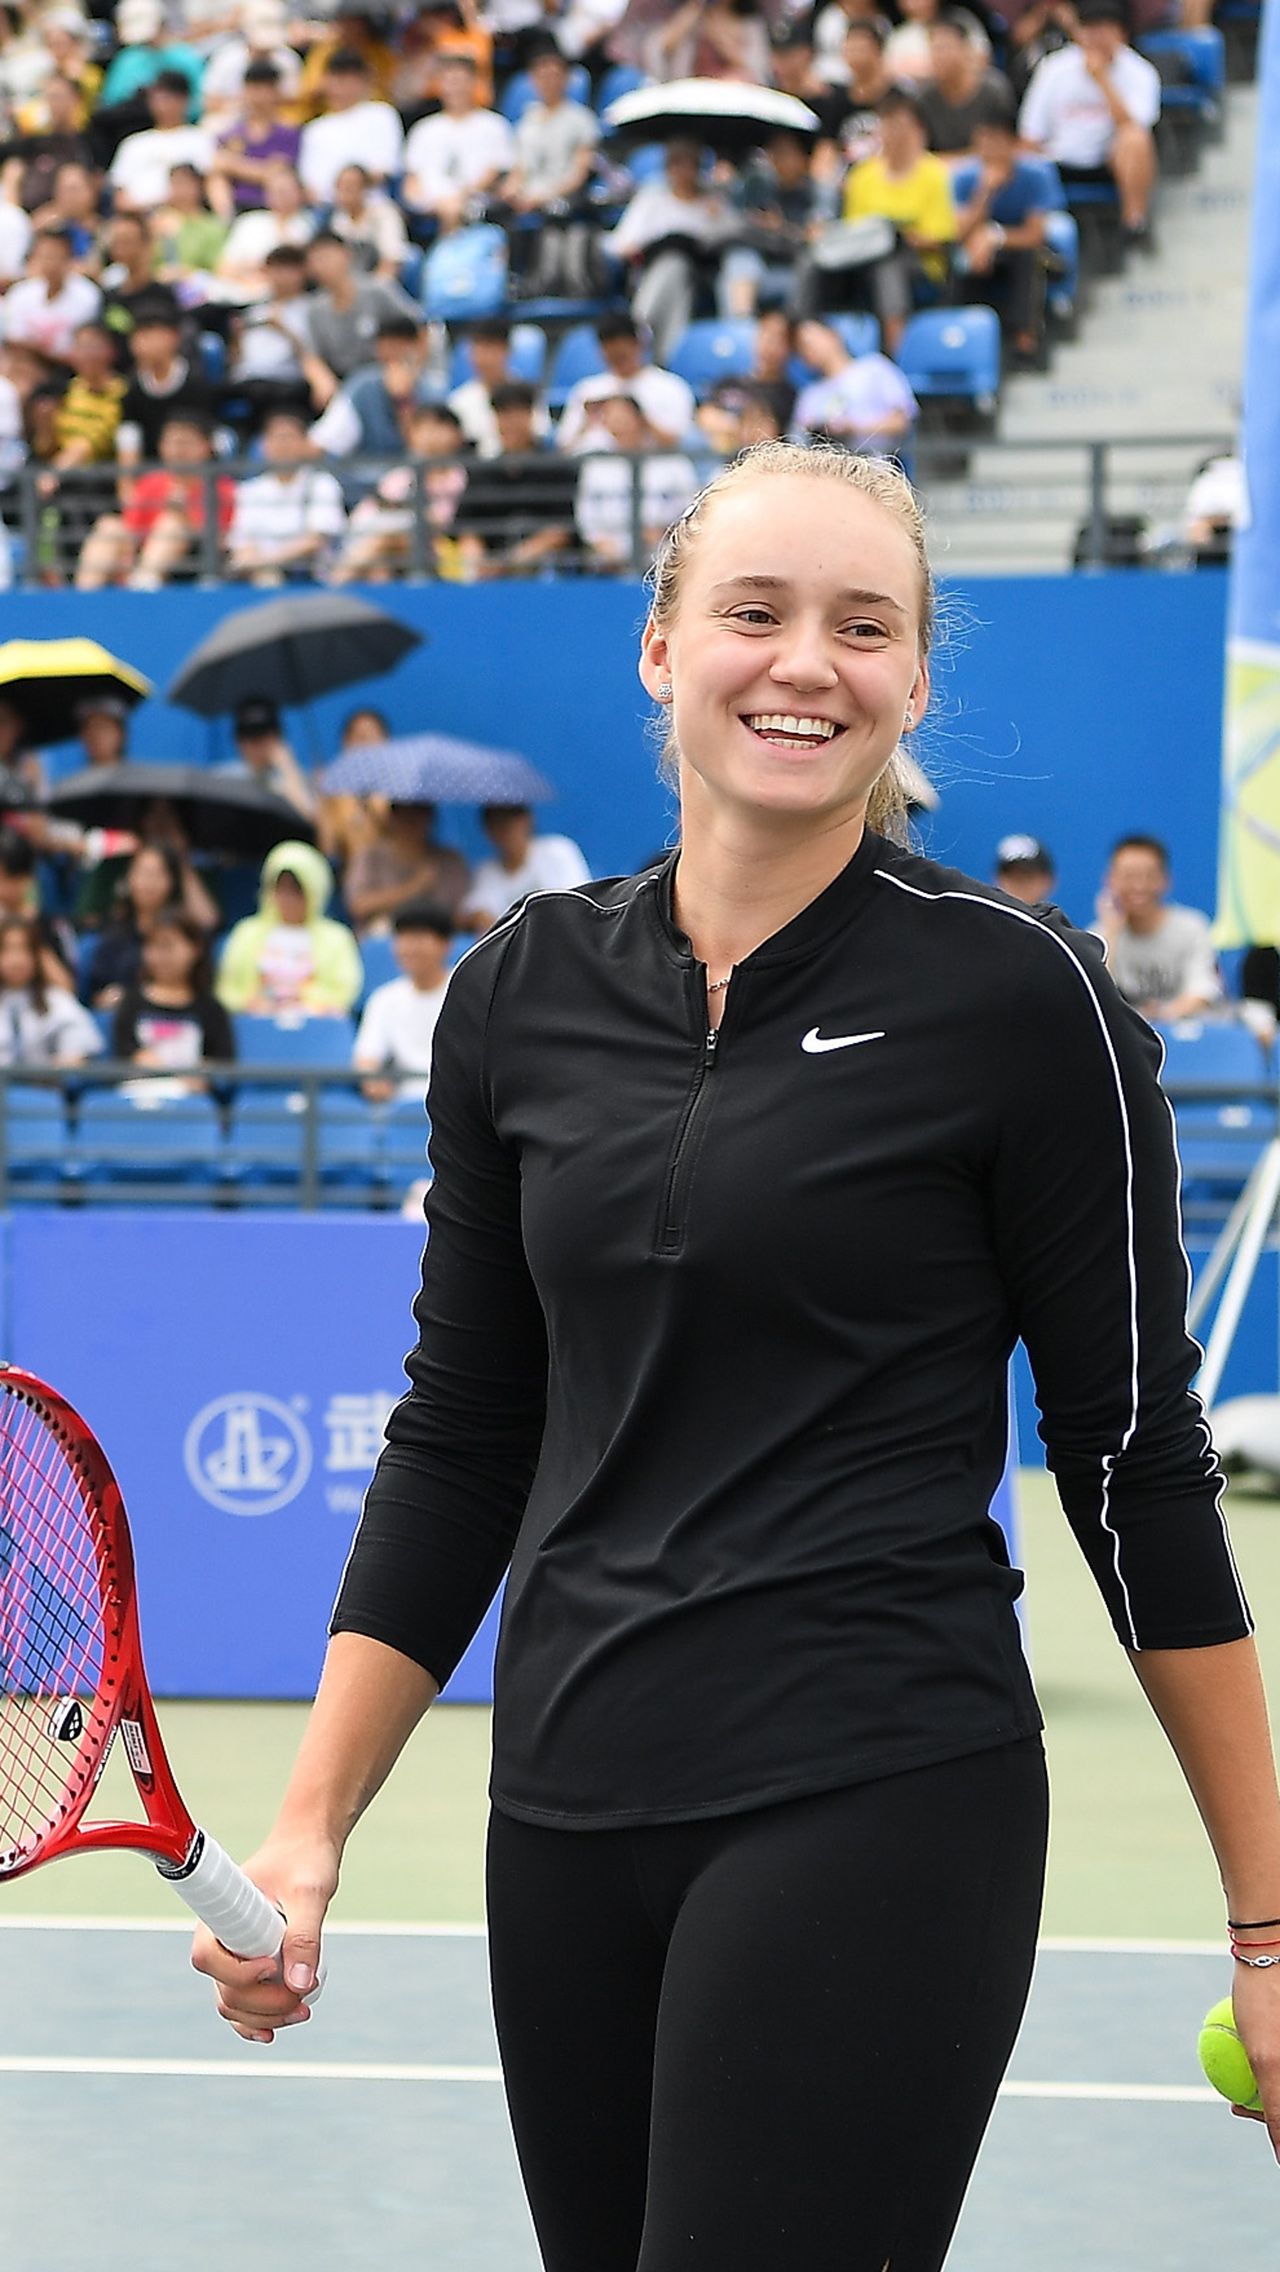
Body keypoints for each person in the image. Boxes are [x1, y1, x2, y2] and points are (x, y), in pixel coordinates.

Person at [193, 441, 1280, 2267]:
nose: (806, 663)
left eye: (866, 626)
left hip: (875, 1786)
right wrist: (309, 1827)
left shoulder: (1027, 1004)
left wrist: (1266, 1916)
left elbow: (1132, 1468)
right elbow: (463, 1435)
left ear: (916, 677)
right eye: (754, 612)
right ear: (659, 645)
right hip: (560, 1802)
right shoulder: (517, 991)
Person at [1019, 0, 1159, 248]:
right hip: (1058, 159)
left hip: (1107, 161)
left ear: (1121, 32)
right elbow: (1030, 134)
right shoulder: (1054, 67)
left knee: (1135, 138)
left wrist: (1102, 79)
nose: (1097, 37)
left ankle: (1134, 224)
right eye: (1090, 28)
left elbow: (1136, 125)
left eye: (1105, 28)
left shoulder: (1140, 71)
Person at [827, 88, 958, 352]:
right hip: (864, 259)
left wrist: (897, 234)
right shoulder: (862, 175)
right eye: (887, 124)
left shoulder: (935, 173)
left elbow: (940, 239)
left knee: (889, 264)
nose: (894, 133)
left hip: (918, 264)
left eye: (901, 125)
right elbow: (854, 231)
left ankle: (896, 352)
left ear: (917, 129)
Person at [600, 137, 736, 366]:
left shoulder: (713, 201)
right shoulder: (652, 198)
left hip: (699, 277)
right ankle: (665, 351)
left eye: (689, 165)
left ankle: (641, 334)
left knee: (677, 267)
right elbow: (619, 245)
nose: (682, 172)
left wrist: (717, 216)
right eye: (676, 165)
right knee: (672, 268)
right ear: (668, 168)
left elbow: (730, 238)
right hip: (648, 272)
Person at [74, 409, 234, 591]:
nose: (177, 450)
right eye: (171, 442)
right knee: (109, 525)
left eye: (185, 443)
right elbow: (131, 530)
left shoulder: (221, 487)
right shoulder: (151, 483)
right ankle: (84, 596)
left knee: (172, 523)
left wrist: (186, 515)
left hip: (193, 566)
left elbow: (221, 542)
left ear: (207, 447)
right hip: (140, 558)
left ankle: (143, 588)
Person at [951, 106, 1054, 362]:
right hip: (979, 251)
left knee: (1029, 258)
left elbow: (1036, 234)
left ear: (1012, 144)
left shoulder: (1035, 175)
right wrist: (984, 193)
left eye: (995, 141)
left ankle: (1025, 339)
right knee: (957, 261)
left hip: (1023, 250)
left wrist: (994, 237)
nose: (988, 149)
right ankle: (962, 337)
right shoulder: (965, 178)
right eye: (982, 141)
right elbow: (959, 232)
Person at [215, 838, 362, 1017]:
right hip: (257, 1023)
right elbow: (227, 990)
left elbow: (345, 993)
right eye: (281, 888)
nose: (288, 898)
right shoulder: (246, 932)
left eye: (297, 890)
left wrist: (304, 999)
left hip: (314, 1025)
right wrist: (249, 1002)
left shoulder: (337, 937)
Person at [450, 379, 579, 581]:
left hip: (542, 568)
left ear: (530, 415)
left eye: (516, 413)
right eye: (502, 414)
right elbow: (467, 528)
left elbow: (561, 530)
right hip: (490, 573)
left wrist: (514, 560)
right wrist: (479, 562)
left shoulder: (557, 468)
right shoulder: (482, 471)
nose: (510, 422)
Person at [1093, 833, 1222, 1021]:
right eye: (1128, 876)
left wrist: (1160, 1016)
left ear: (1165, 880)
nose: (1139, 886)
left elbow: (1203, 990)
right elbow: (1097, 995)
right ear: (1110, 880)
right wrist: (1111, 932)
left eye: (1149, 876)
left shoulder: (1192, 928)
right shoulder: (1098, 936)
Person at [573, 391, 700, 574]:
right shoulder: (596, 464)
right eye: (610, 415)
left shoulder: (673, 462)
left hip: (664, 552)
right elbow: (586, 514)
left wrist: (665, 533)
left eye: (622, 414)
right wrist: (601, 543)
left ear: (640, 417)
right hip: (608, 557)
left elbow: (691, 508)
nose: (617, 421)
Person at [111, 907, 235, 1083]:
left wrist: (204, 1073)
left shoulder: (211, 1009)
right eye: (152, 946)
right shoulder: (131, 1004)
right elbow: (124, 1055)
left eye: (168, 946)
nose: (160, 956)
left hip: (191, 1102)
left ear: (195, 949)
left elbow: (223, 1063)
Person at [225, 405, 346, 584]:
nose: (282, 445)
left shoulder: (322, 484)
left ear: (305, 443)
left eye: (289, 438)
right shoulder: (250, 490)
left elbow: (315, 540)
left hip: (312, 576)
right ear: (264, 445)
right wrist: (256, 563)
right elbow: (242, 543)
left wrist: (266, 561)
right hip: (262, 574)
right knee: (265, 579)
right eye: (276, 438)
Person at [400, 52, 514, 238]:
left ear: (474, 83)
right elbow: (411, 183)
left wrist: (459, 198)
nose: (455, 88)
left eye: (461, 81)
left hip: (476, 206)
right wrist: (432, 203)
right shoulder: (424, 129)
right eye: (449, 81)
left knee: (457, 210)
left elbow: (493, 174)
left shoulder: (494, 125)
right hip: (430, 207)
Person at [352, 896, 454, 1099]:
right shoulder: (384, 999)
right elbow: (366, 1059)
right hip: (401, 1108)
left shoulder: (468, 993)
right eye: (403, 937)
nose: (410, 947)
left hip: (457, 1106)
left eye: (420, 937)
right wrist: (375, 1085)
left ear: (445, 944)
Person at [556, 312, 696, 456]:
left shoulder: (670, 387)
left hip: (658, 470)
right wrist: (588, 422)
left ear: (638, 344)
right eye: (611, 357)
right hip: (601, 470)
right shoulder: (588, 390)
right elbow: (565, 448)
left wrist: (638, 417)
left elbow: (681, 444)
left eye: (623, 356)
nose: (617, 362)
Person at [84, 840, 193, 1008]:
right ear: (129, 878)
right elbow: (96, 994)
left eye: (157, 874)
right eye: (142, 873)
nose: (148, 882)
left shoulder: (185, 934)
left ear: (172, 881)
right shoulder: (112, 935)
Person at [791, 316, 918, 453]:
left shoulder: (875, 367)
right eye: (802, 346)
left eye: (813, 340)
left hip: (877, 461)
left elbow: (901, 423)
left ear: (834, 335)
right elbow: (798, 439)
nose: (810, 349)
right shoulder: (809, 395)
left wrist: (854, 428)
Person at [297, 50, 404, 206]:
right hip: (326, 210)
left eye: (348, 79)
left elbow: (385, 169)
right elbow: (309, 185)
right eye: (336, 78)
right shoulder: (314, 129)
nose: (341, 86)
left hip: (371, 204)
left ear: (363, 80)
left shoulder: (381, 114)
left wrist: (351, 189)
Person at [342, 800, 469, 931]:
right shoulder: (370, 858)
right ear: (392, 818)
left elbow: (463, 913)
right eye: (405, 816)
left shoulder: (450, 861)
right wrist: (413, 887)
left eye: (418, 815)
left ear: (430, 818)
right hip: (382, 940)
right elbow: (359, 905)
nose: (411, 823)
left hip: (439, 939)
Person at [461, 802, 590, 930]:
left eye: (513, 819)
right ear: (488, 830)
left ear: (528, 819)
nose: (507, 829)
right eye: (498, 822)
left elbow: (581, 903)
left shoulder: (558, 851)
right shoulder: (486, 872)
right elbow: (473, 913)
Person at [108, 71, 215, 215]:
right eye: (156, 98)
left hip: (186, 216)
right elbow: (119, 197)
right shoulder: (133, 143)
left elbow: (210, 184)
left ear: (184, 100)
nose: (160, 104)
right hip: (140, 217)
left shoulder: (200, 138)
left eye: (167, 98)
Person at [0, 913, 101, 1063]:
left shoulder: (57, 1000)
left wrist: (70, 1060)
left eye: (24, 949)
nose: (16, 959)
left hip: (43, 1084)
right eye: (7, 950)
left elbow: (78, 1049)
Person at [208, 58, 300, 217]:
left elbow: (276, 172)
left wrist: (233, 165)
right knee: (216, 179)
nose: (260, 96)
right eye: (254, 88)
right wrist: (257, 169)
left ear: (277, 92)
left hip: (272, 205)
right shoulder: (232, 131)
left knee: (281, 181)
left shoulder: (288, 132)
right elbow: (218, 164)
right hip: (238, 205)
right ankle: (226, 221)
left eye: (266, 89)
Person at [917, 11, 1016, 156]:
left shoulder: (993, 90)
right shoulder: (925, 97)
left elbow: (1005, 146)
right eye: (934, 49)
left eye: (945, 47)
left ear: (966, 49)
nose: (939, 56)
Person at [0, 225, 100, 359]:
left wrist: (39, 350)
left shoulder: (88, 296)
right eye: (44, 255)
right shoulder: (21, 292)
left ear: (70, 258)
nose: (49, 262)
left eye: (55, 255)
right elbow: (13, 339)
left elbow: (80, 350)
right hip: (24, 364)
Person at [214, 695, 315, 822]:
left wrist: (289, 769)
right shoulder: (223, 779)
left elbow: (313, 823)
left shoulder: (299, 778)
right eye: (250, 736)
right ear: (238, 741)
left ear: (279, 736)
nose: (257, 744)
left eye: (263, 735)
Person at [993, 830, 1056, 907]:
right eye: (1013, 877)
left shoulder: (1061, 918)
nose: (1019, 885)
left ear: (1047, 881)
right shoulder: (981, 918)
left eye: (1028, 877)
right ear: (998, 879)